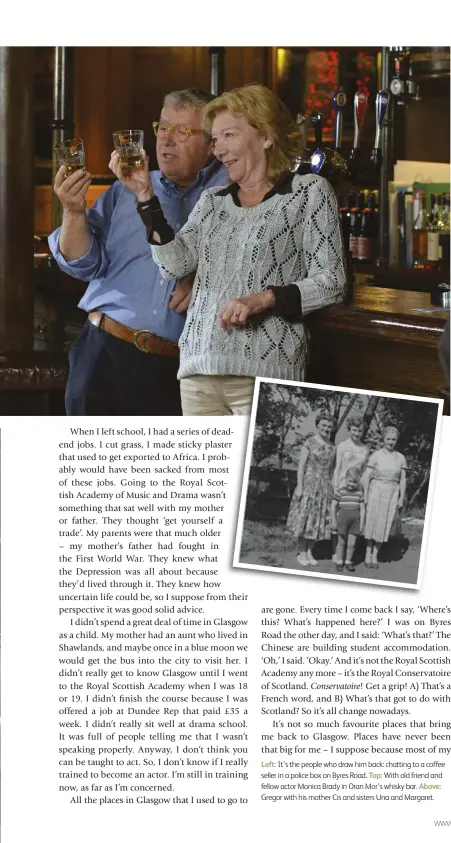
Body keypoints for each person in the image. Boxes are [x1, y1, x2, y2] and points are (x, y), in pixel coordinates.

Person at [127, 83, 347, 415]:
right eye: (215, 140)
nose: (218, 150)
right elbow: (173, 265)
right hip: (199, 374)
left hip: (267, 373)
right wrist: (145, 197)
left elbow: (332, 281)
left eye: (229, 135)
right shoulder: (212, 202)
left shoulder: (308, 193)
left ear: (266, 136)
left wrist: (265, 298)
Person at [48, 88, 228, 415]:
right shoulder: (125, 187)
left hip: (180, 369)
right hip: (105, 351)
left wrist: (206, 274)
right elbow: (79, 263)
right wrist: (73, 212)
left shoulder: (232, 196)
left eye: (183, 131)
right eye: (163, 128)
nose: (166, 140)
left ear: (212, 145)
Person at [286, 411, 336, 568]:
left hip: (324, 486)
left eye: (329, 426)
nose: (326, 429)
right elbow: (301, 466)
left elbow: (332, 470)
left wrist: (332, 488)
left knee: (317, 521)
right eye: (323, 425)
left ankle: (310, 552)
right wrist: (300, 486)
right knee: (305, 519)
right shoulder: (309, 442)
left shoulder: (332, 447)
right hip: (308, 483)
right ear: (318, 425)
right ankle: (302, 552)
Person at [362, 425, 407, 569]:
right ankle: (367, 554)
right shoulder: (376, 455)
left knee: (384, 523)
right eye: (388, 439)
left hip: (392, 492)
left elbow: (403, 479)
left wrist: (400, 498)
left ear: (397, 440)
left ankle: (375, 555)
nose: (391, 442)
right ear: (383, 439)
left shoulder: (400, 457)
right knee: (373, 522)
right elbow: (366, 476)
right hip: (376, 490)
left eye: (393, 439)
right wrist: (365, 494)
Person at [331, 466, 365, 574]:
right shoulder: (339, 492)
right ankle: (339, 561)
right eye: (349, 481)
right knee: (341, 542)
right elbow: (333, 507)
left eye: (355, 482)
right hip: (342, 520)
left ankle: (348, 561)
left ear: (358, 482)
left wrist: (362, 524)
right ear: (345, 479)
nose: (351, 484)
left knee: (351, 544)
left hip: (355, 522)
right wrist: (333, 521)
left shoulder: (359, 493)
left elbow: (363, 509)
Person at [333, 414, 369, 491]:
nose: (357, 433)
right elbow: (338, 467)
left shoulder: (365, 449)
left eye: (360, 431)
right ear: (350, 429)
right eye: (354, 430)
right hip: (343, 484)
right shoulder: (342, 446)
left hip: (357, 485)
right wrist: (335, 486)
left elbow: (364, 470)